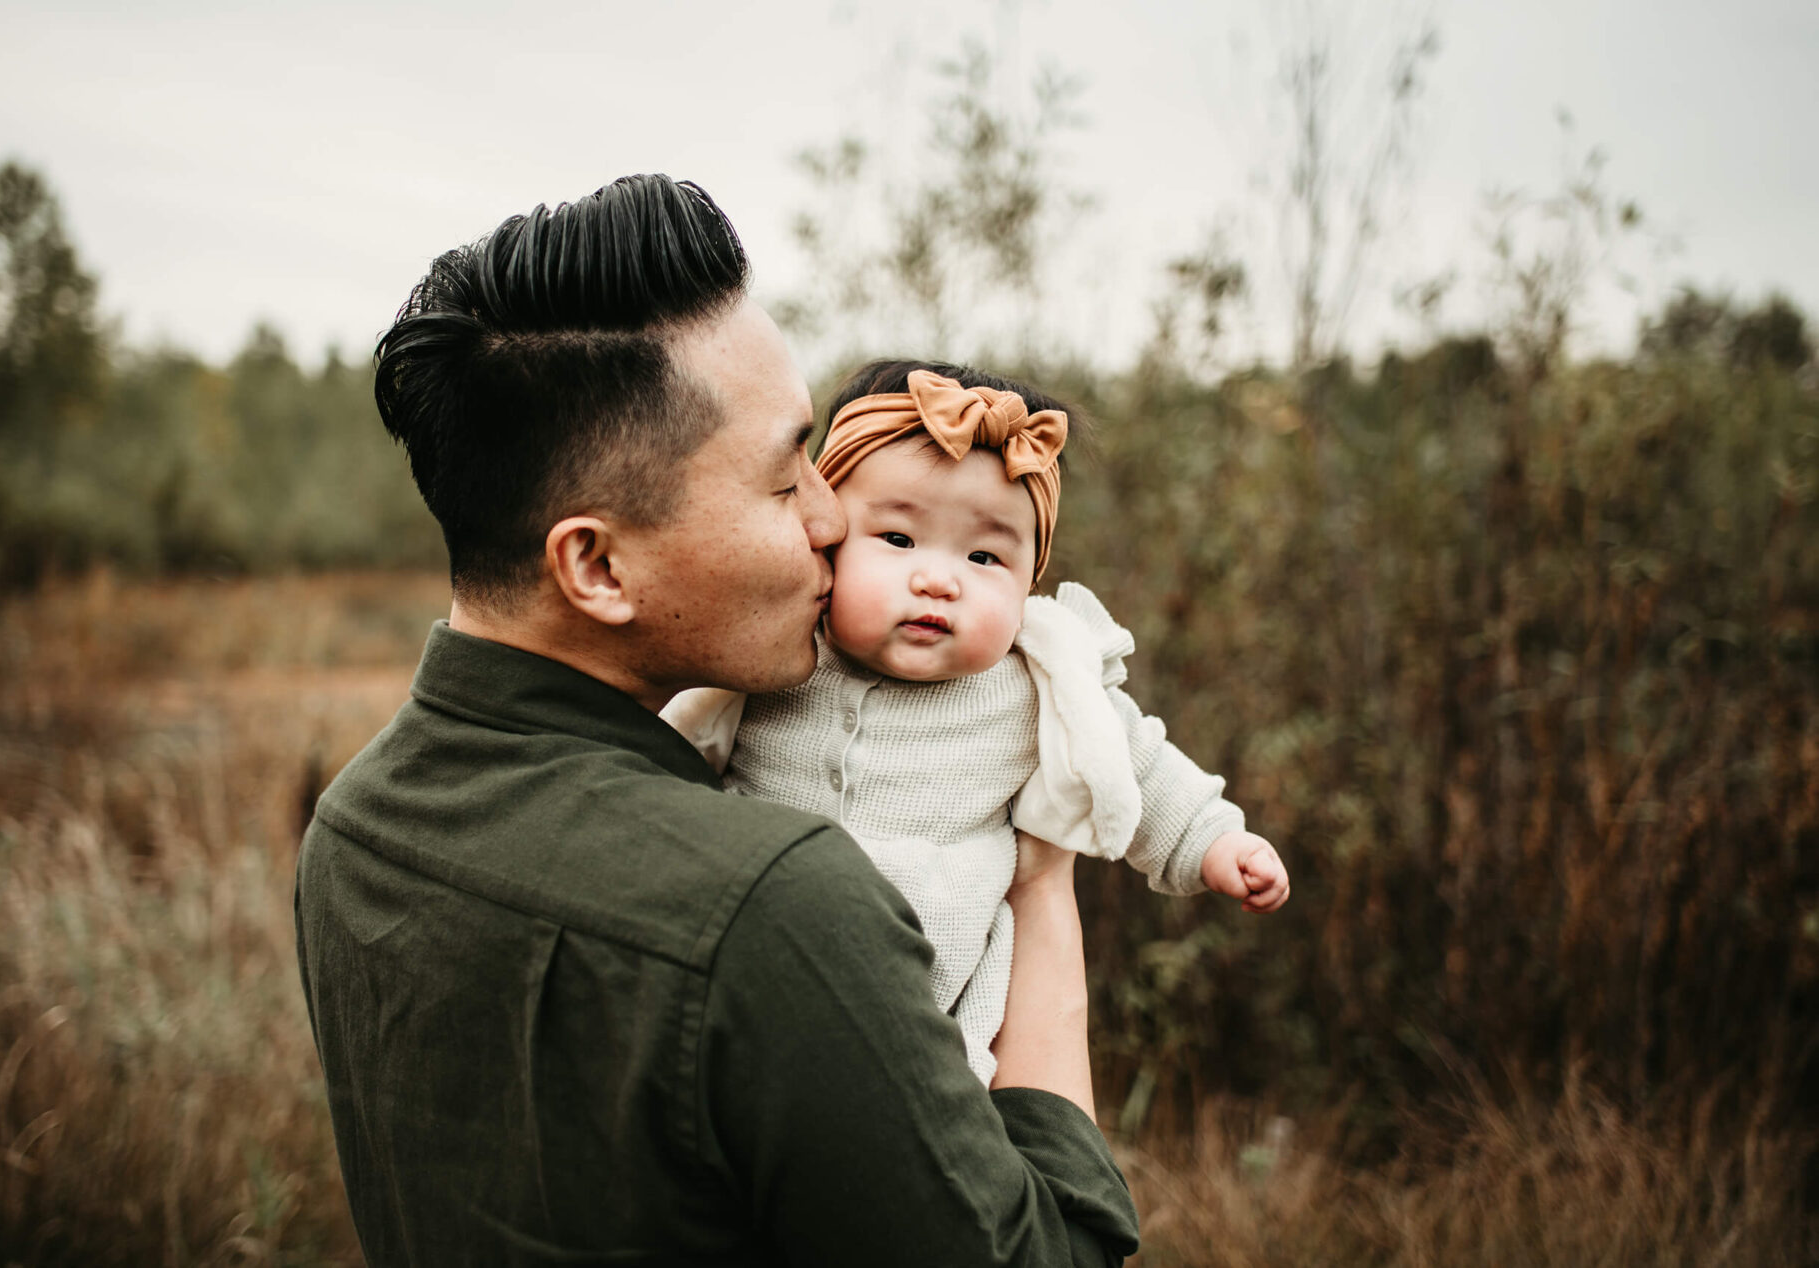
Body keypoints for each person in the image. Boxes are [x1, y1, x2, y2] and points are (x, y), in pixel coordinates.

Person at [294, 174, 1141, 1266]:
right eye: (787, 480)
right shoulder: (780, 902)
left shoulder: (352, 827)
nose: (835, 520)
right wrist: (1044, 883)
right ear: (596, 563)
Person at [664, 362, 1290, 1084]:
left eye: (985, 555)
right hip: (743, 964)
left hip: (920, 1010)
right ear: (828, 538)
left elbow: (1139, 762)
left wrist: (1215, 841)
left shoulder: (1034, 682)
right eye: (898, 540)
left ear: (1031, 582)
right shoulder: (779, 653)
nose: (940, 578)